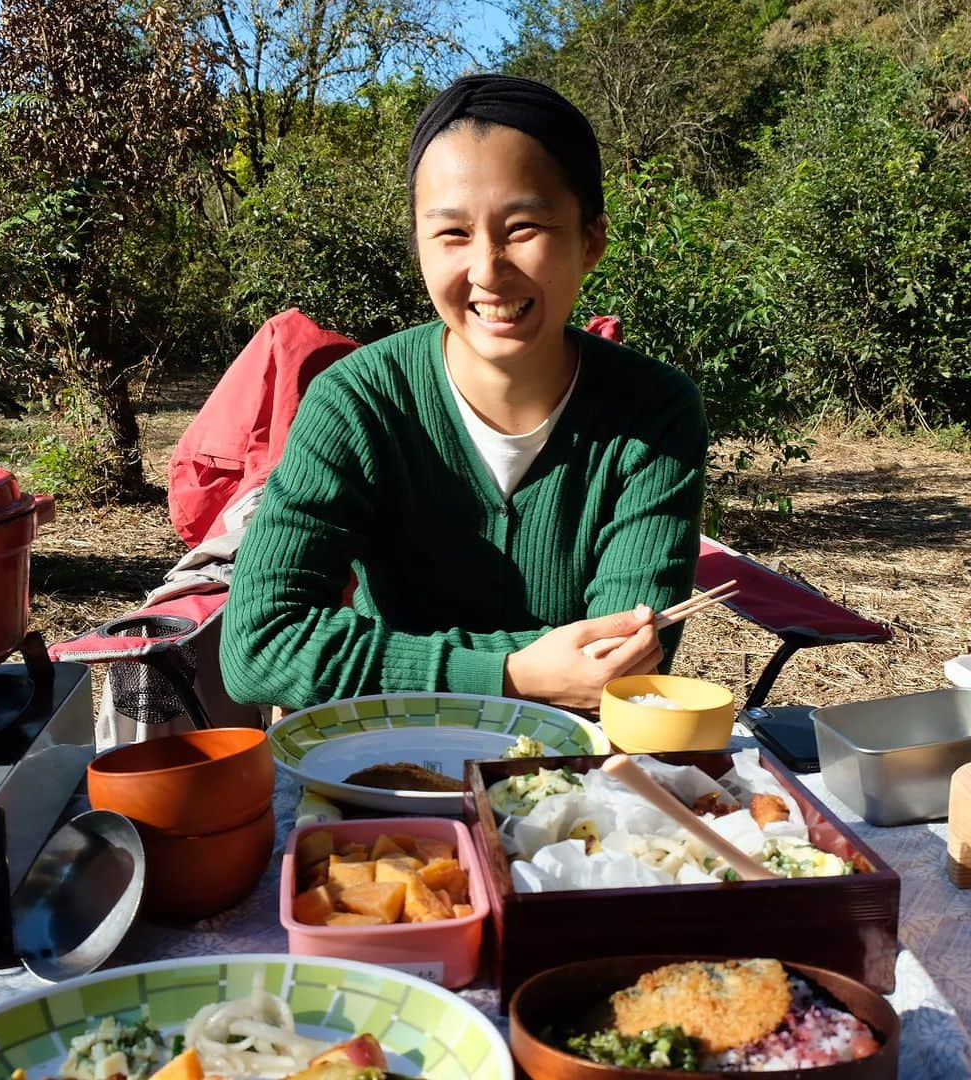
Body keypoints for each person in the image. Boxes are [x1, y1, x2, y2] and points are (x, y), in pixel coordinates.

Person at [219, 74, 708, 714]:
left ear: (591, 238)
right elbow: (258, 646)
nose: (487, 270)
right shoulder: (359, 401)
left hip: (567, 780)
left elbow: (623, 661)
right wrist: (506, 673)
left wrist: (379, 661)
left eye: (525, 227)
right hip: (384, 774)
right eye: (452, 234)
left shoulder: (653, 412)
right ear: (419, 246)